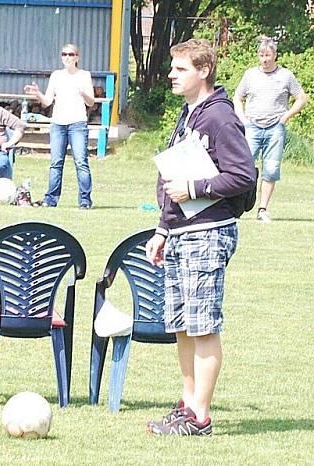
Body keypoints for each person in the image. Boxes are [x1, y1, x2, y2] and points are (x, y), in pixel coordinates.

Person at [144, 39, 256, 436]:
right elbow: (172, 175)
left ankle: (201, 418)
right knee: (182, 324)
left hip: (208, 234)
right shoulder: (189, 114)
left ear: (203, 71)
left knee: (203, 324)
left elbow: (243, 175)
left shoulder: (220, 118)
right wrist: (162, 228)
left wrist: (194, 188)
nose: (171, 75)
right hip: (180, 234)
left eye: (180, 69)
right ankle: (187, 404)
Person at [234, 36, 309, 223]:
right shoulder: (250, 74)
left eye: (268, 55)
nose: (265, 59)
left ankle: (262, 210)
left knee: (271, 168)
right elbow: (237, 97)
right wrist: (242, 119)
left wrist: (286, 116)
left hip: (275, 128)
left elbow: (301, 98)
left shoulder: (286, 76)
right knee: (243, 166)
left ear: (275, 55)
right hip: (252, 126)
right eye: (261, 55)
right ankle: (235, 207)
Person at [25, 43, 95, 209]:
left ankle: (85, 200)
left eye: (71, 54)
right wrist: (37, 94)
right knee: (56, 163)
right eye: (64, 54)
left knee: (81, 162)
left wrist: (83, 92)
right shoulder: (56, 75)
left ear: (77, 57)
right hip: (58, 123)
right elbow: (48, 101)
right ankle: (51, 199)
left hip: (77, 123)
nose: (67, 58)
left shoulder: (84, 75)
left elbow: (91, 101)